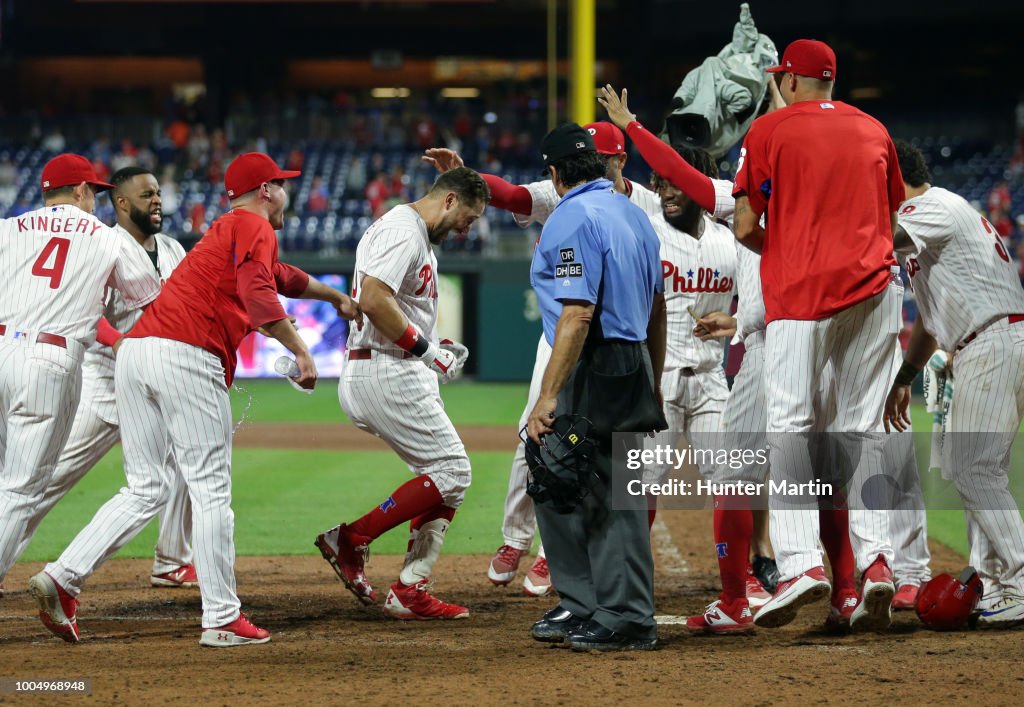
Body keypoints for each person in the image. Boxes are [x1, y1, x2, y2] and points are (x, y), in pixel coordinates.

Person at [30, 152, 363, 647]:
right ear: (267, 190)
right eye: (282, 183)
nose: (286, 192)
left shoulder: (230, 228)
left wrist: (332, 297)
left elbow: (279, 275)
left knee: (145, 488)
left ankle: (62, 577)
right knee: (210, 492)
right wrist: (300, 349)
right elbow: (258, 289)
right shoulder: (255, 226)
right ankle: (223, 618)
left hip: (137, 353)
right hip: (185, 354)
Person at [599, 84, 857, 632]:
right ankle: (853, 583)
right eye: (660, 183)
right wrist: (626, 132)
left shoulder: (733, 232)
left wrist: (739, 324)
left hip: (727, 374)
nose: (665, 188)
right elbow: (628, 183)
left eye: (673, 182)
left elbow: (760, 294)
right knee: (644, 482)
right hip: (678, 373)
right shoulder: (652, 222)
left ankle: (756, 587)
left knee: (738, 478)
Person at [423, 122, 662, 598]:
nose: (605, 165)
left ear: (620, 161)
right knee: (539, 437)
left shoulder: (642, 205)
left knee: (600, 459)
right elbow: (511, 196)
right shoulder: (573, 199)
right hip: (584, 339)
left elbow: (627, 303)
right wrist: (468, 175)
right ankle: (518, 540)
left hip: (599, 336)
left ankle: (569, 568)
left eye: (610, 158)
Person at [731, 39, 906, 631]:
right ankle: (880, 561)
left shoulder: (770, 131)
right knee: (866, 429)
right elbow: (894, 217)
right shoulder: (874, 128)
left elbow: (746, 223)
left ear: (792, 81)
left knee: (790, 426)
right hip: (876, 292)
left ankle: (805, 565)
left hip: (803, 293)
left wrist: (778, 248)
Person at [7, 167, 196, 588]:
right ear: (120, 202)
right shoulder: (102, 242)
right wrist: (119, 342)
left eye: (158, 193)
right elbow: (88, 314)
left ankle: (172, 559)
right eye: (147, 194)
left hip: (151, 377)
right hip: (103, 382)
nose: (157, 201)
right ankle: (7, 552)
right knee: (44, 480)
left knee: (183, 460)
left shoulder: (171, 249)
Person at [315, 167, 487, 620]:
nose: (469, 229)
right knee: (452, 471)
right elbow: (373, 299)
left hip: (388, 365)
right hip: (386, 369)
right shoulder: (403, 230)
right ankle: (351, 539)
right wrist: (428, 351)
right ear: (449, 200)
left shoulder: (414, 234)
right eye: (468, 217)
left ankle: (412, 586)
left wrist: (432, 346)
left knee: (445, 479)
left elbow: (393, 304)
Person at [525, 123, 666, 652]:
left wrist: (548, 394)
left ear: (556, 172)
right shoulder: (634, 214)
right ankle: (583, 603)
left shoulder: (571, 217)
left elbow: (578, 313)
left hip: (595, 364)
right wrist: (651, 374)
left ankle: (626, 616)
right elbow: (657, 307)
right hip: (629, 362)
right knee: (560, 476)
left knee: (600, 489)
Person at [885, 141, 1024, 628]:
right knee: (983, 471)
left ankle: (1022, 581)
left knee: (973, 468)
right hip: (993, 338)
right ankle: (996, 584)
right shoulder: (937, 216)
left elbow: (880, 240)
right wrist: (905, 376)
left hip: (991, 340)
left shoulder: (928, 206)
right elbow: (927, 320)